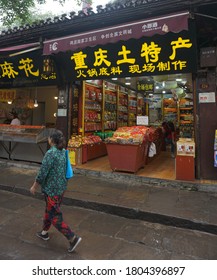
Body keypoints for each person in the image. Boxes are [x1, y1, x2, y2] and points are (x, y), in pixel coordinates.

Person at [30, 129, 82, 253]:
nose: (48, 139)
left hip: (52, 190)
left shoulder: (50, 153)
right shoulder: (63, 152)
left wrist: (34, 186)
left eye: (48, 138)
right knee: (50, 210)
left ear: (52, 140)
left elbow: (43, 173)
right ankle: (44, 232)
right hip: (61, 188)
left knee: (54, 215)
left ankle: (72, 238)